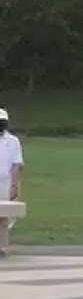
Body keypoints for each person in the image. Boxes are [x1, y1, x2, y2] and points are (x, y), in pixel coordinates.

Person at [0, 108, 20, 254]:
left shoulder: (13, 141)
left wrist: (14, 185)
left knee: (4, 216)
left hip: (4, 182)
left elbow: (16, 164)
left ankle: (2, 247)